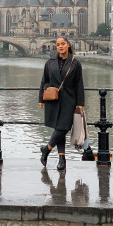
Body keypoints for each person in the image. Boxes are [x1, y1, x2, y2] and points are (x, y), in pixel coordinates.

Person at [39, 36, 85, 171]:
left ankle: (46, 149)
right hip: (53, 99)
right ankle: (62, 159)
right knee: (59, 128)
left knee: (63, 128)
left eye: (63, 44)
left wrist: (80, 102)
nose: (60, 46)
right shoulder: (50, 62)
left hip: (69, 100)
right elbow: (44, 80)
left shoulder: (75, 63)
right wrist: (41, 98)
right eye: (58, 44)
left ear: (68, 45)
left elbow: (79, 84)